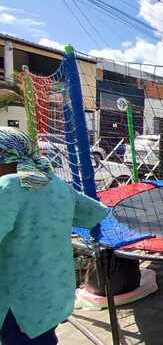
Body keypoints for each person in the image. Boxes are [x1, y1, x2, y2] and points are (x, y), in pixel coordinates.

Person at [0, 127, 108, 345]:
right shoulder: (55, 184)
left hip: (19, 301)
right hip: (54, 293)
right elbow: (94, 212)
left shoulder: (8, 186)